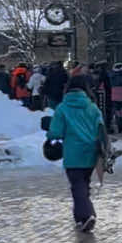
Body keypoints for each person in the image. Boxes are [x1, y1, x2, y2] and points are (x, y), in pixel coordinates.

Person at [46, 76, 106, 232]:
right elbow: (101, 128)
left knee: (77, 186)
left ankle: (87, 215)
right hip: (91, 153)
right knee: (83, 185)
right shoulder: (92, 107)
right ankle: (79, 217)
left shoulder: (62, 108)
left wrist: (50, 134)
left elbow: (55, 132)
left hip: (72, 154)